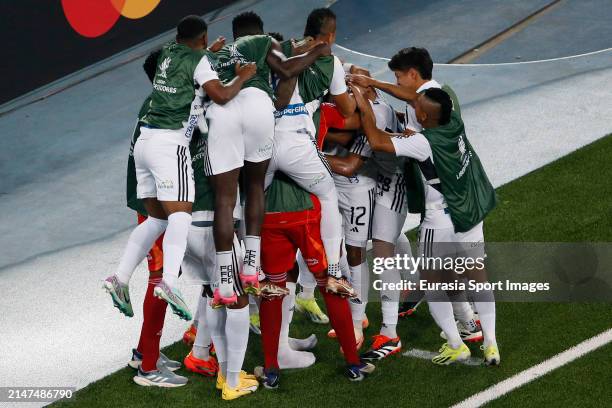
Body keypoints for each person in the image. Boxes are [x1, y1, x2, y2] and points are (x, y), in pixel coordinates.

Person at [352, 85, 500, 366]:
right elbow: (422, 109)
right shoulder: (453, 122)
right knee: (477, 278)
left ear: (422, 115)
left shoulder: (422, 143)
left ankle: (456, 344)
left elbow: (376, 140)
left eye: (417, 104)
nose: (413, 104)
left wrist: (362, 100)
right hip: (470, 217)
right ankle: (491, 343)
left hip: (441, 221)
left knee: (433, 286)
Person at [205, 11, 332, 307]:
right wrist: (316, 50)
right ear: (261, 32)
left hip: (222, 115)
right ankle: (252, 267)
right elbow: (288, 70)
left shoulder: (213, 55)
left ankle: (225, 283)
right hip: (259, 110)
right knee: (254, 187)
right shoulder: (263, 43)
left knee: (225, 200)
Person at [263, 7, 358, 297]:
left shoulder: (281, 48)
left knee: (249, 201)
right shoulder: (330, 62)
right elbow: (346, 109)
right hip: (297, 145)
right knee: (329, 195)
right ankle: (332, 272)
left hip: (262, 142)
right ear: (330, 35)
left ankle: (250, 272)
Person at [257, 172, 375, 388]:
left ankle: (271, 368)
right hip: (307, 210)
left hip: (267, 211)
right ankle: (353, 363)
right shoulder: (304, 137)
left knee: (272, 288)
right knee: (330, 281)